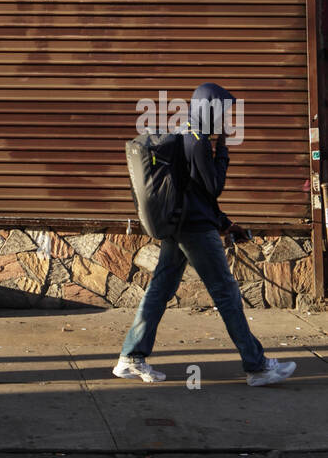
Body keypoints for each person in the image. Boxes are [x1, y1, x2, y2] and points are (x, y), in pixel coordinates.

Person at [113, 81, 297, 388]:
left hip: (183, 224)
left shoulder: (189, 133)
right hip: (196, 230)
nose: (226, 119)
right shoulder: (197, 140)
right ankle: (257, 366)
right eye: (223, 111)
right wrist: (222, 150)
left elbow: (197, 193)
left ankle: (130, 357)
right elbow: (213, 187)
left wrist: (223, 221)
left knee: (160, 289)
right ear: (208, 109)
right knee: (226, 293)